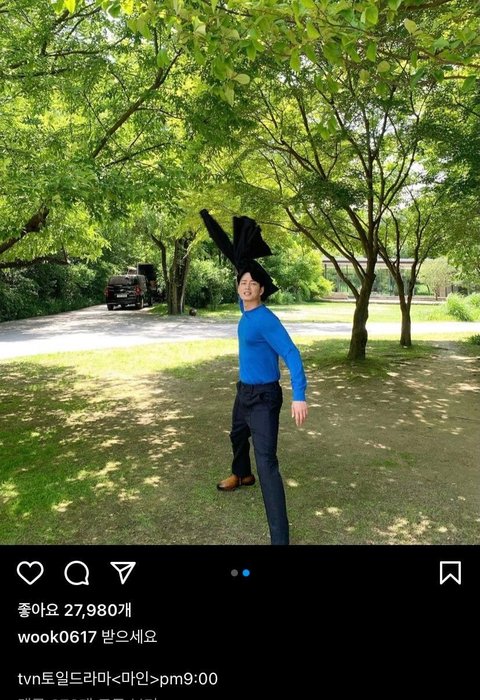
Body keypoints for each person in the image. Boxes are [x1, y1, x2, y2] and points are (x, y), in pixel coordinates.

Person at [199, 210, 308, 545]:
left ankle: (280, 539)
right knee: (236, 435)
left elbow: (291, 353)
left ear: (262, 290)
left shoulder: (265, 319)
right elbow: (235, 260)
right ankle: (242, 475)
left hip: (264, 398)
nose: (246, 287)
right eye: (242, 283)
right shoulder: (243, 308)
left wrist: (299, 395)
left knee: (267, 463)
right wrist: (209, 221)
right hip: (244, 392)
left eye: (252, 284)